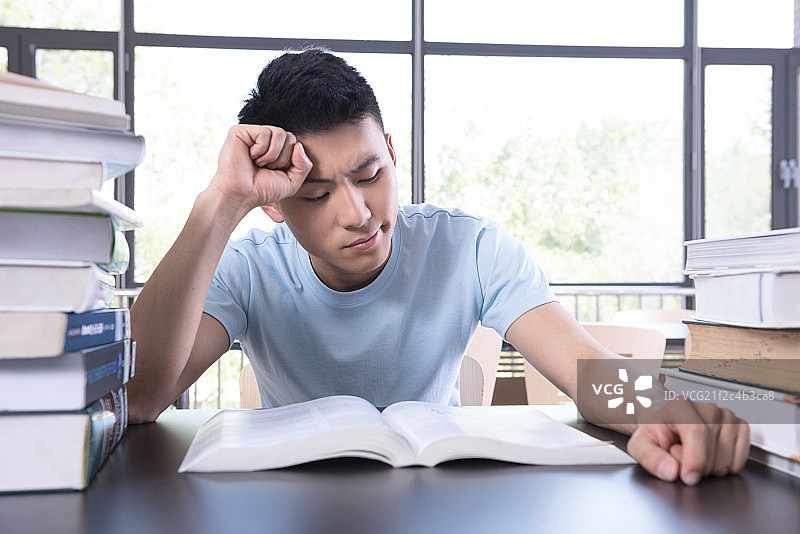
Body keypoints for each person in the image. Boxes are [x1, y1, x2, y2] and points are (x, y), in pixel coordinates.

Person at [128, 48, 749, 486]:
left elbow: (588, 374)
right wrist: (221, 201)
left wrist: (660, 405)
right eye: (316, 195)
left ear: (393, 154)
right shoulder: (249, 267)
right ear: (277, 206)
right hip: (295, 500)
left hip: (440, 496)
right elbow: (141, 396)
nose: (358, 213)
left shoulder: (471, 248)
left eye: (372, 175)